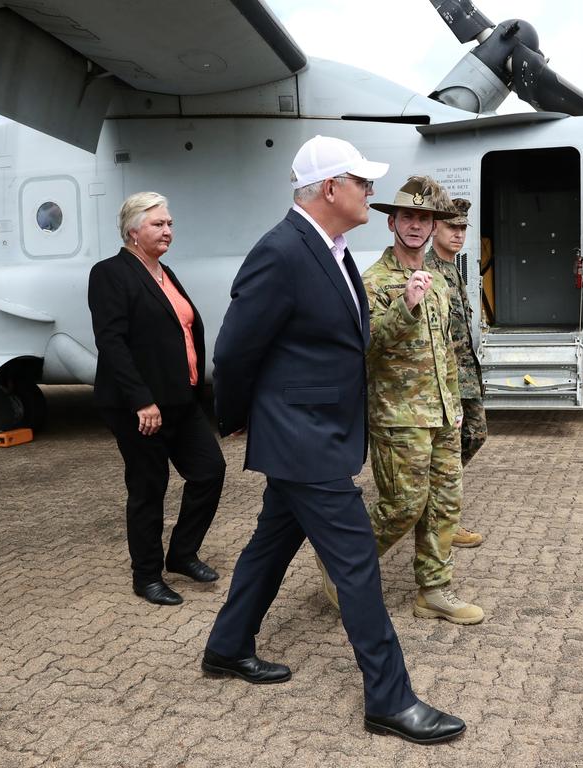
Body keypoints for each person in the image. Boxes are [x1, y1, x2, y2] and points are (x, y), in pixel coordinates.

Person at [202, 136, 465, 745]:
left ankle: (227, 646)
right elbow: (236, 348)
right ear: (329, 189)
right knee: (356, 565)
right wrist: (236, 416)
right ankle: (390, 699)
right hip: (301, 437)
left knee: (270, 546)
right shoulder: (282, 251)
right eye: (362, 183)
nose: (371, 192)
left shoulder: (335, 248)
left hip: (319, 432)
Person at [88, 191, 226, 606]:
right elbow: (111, 342)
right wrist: (141, 400)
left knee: (209, 471)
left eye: (169, 224)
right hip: (142, 407)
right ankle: (145, 575)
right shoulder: (110, 273)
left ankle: (182, 553)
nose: (168, 230)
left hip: (180, 401)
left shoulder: (164, 273)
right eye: (158, 224)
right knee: (149, 487)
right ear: (133, 231)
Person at [362, 176, 485, 626]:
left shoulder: (439, 280)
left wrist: (454, 407)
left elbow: (448, 352)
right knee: (403, 505)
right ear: (392, 222)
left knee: (444, 504)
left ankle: (433, 591)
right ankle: (343, 564)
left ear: (434, 226)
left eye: (424, 218)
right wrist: (405, 306)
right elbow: (363, 345)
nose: (416, 225)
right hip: (398, 417)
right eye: (408, 217)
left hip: (440, 413)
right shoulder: (374, 281)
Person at [425, 193, 486, 548]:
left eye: (463, 228)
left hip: (465, 376)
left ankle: (437, 509)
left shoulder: (454, 268)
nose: (459, 234)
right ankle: (441, 518)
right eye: (452, 227)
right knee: (451, 450)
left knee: (474, 436)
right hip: (448, 381)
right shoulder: (430, 271)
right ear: (435, 229)